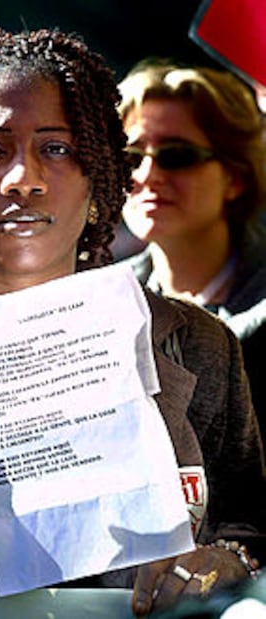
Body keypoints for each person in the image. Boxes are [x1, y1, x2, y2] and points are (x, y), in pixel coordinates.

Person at [0, 27, 264, 618]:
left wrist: (228, 561)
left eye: (58, 147)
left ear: (100, 175)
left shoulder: (198, 345)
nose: (24, 178)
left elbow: (252, 530)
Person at [117, 60, 266, 443]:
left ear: (235, 177)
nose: (146, 176)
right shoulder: (101, 302)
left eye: (177, 155)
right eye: (130, 159)